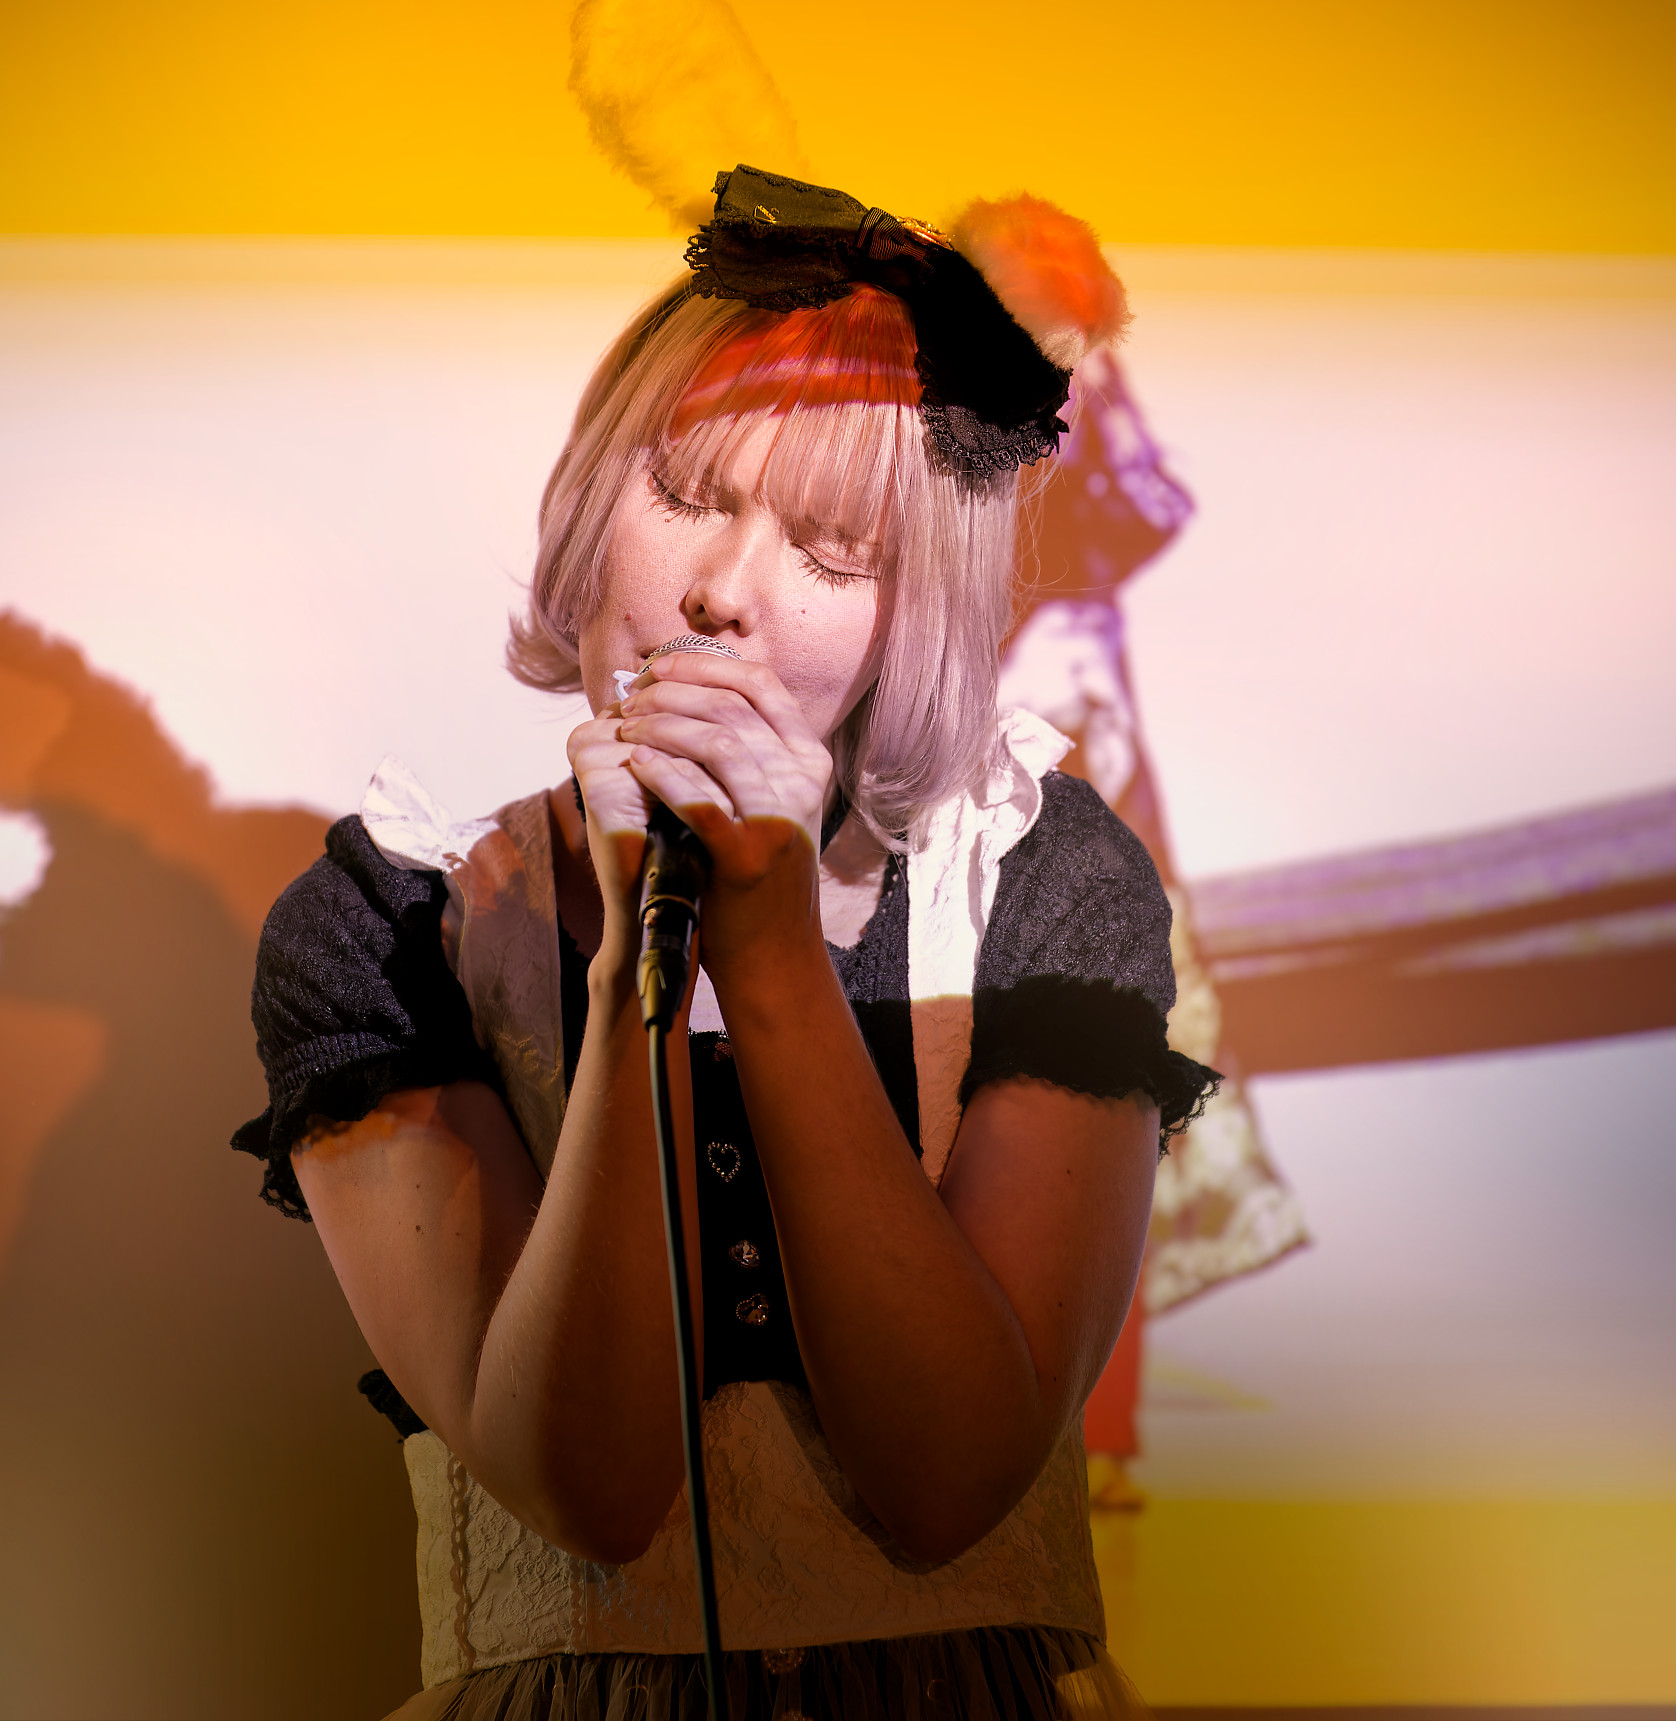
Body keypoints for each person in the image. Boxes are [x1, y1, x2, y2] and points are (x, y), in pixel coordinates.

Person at [234, 167, 1217, 1718]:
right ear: (591, 502)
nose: (719, 595)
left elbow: (952, 1473)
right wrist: (642, 946)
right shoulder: (391, 921)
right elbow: (587, 1482)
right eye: (687, 494)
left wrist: (767, 952)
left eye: (831, 550)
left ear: (914, 614)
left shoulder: (1046, 880)